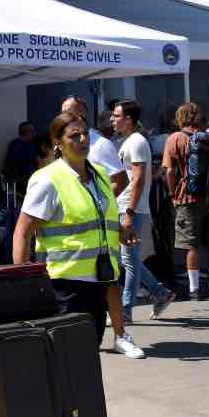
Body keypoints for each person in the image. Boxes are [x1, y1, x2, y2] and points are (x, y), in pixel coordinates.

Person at [13, 112, 121, 345]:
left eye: (85, 134)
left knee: (88, 359)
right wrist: (23, 286)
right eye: (74, 136)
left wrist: (122, 230)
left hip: (98, 283)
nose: (83, 139)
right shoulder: (48, 180)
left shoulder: (100, 174)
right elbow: (22, 232)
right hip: (64, 287)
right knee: (67, 363)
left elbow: (99, 219)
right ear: (57, 142)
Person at [59, 96, 144, 360]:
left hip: (99, 229)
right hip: (71, 236)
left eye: (70, 113)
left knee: (110, 281)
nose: (66, 116)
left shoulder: (100, 144)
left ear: (83, 115)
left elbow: (120, 179)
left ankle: (121, 335)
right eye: (63, 112)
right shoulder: (60, 145)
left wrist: (99, 200)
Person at [111, 100, 174, 323]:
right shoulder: (128, 141)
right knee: (129, 258)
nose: (112, 119)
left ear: (129, 119)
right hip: (126, 207)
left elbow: (138, 180)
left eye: (116, 116)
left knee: (129, 259)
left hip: (132, 209)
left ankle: (126, 310)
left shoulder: (136, 142)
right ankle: (160, 293)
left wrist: (129, 212)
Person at [163, 102, 209, 303]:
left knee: (190, 244)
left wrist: (172, 194)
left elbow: (169, 171)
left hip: (186, 197)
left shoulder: (175, 138)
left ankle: (194, 288)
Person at [2, 122, 39, 197]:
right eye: (32, 132)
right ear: (27, 133)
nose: (35, 134)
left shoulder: (15, 143)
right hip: (21, 182)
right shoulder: (24, 146)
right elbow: (26, 164)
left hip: (15, 182)